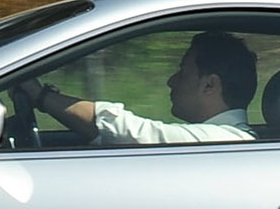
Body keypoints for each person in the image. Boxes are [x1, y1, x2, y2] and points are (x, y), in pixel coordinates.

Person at [15, 30, 258, 146]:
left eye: (183, 72)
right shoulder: (228, 141)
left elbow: (133, 133)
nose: (171, 81)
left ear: (210, 85)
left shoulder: (225, 142)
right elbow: (116, 135)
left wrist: (41, 96)